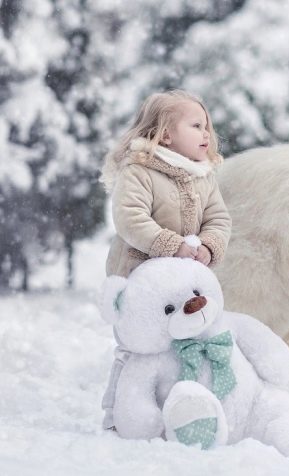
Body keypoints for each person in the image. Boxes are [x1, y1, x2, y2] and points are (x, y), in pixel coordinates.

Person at [99, 89, 232, 429]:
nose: (207, 134)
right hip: (140, 278)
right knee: (137, 348)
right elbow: (130, 217)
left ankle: (181, 408)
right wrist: (169, 243)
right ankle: (118, 414)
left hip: (181, 285)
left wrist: (209, 243)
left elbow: (219, 218)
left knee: (183, 346)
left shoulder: (203, 175)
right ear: (166, 134)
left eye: (208, 126)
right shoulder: (140, 170)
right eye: (197, 125)